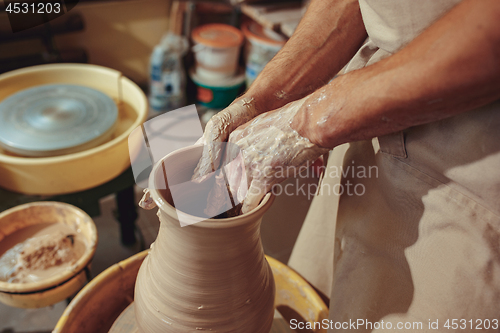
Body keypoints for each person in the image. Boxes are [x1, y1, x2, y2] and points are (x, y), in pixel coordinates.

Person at [194, 0, 500, 331]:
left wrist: (310, 122)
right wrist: (260, 101)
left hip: (467, 151)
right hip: (365, 104)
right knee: (317, 304)